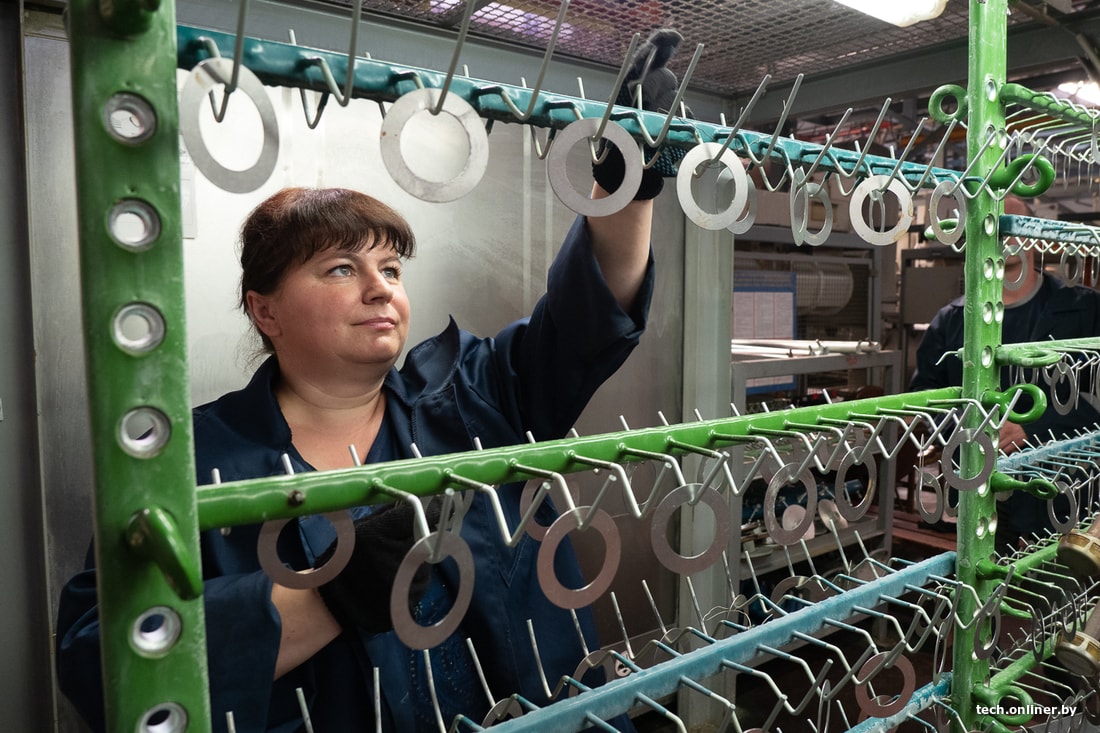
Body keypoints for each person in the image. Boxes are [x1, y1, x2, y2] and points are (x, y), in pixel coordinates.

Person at [55, 29, 687, 733]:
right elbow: (101, 663)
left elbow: (588, 318)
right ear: (265, 311)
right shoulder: (195, 461)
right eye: (340, 269)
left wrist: (626, 176)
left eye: (390, 269)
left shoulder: (471, 396)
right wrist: (328, 598)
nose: (380, 287)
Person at [909, 196, 1100, 550]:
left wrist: (1034, 427)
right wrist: (975, 431)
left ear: (1035, 237)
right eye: (993, 225)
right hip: (978, 494)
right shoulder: (952, 320)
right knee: (983, 577)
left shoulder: (1084, 310)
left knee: (1058, 579)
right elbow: (927, 399)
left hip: (1063, 495)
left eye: (1013, 224)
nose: (1002, 234)